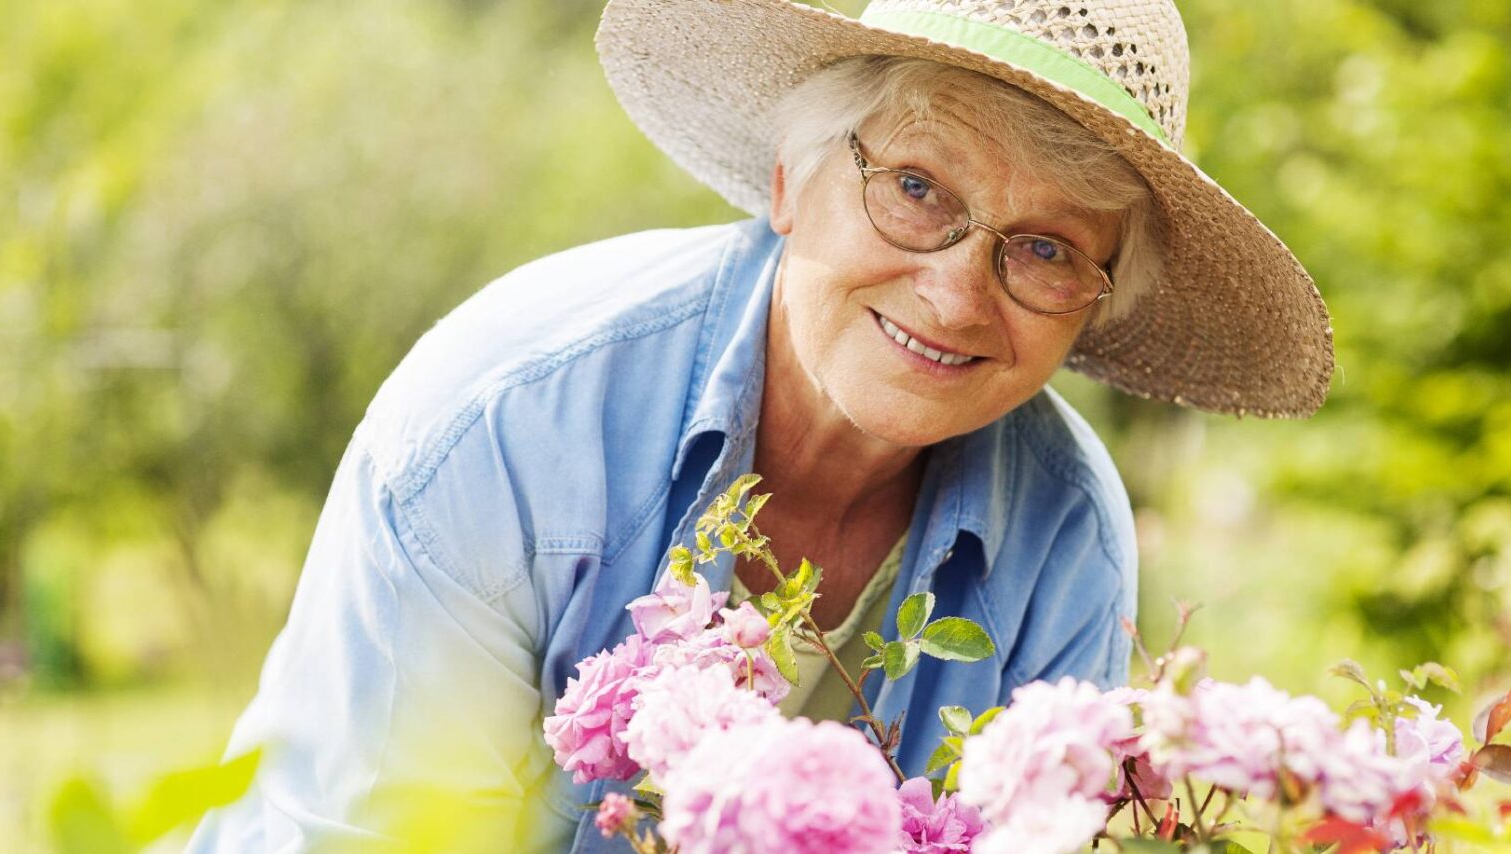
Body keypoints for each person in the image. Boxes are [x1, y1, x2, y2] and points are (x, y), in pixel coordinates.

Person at [189, 0, 1333, 850]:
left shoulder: (1065, 536)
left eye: (1043, 248)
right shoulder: (510, 424)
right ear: (791, 180)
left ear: (1090, 306)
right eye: (919, 189)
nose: (954, 293)